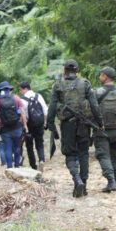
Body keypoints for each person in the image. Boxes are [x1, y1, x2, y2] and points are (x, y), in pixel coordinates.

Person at [47, 59, 104, 198]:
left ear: (65, 71)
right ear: (77, 70)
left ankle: (77, 180)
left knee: (70, 154)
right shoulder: (85, 83)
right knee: (84, 153)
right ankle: (83, 185)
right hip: (84, 123)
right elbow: (94, 106)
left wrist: (51, 124)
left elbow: (52, 106)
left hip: (67, 125)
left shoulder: (58, 85)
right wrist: (100, 122)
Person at [0, 81, 28, 169]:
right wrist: (25, 125)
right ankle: (17, 166)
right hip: (17, 127)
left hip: (4, 129)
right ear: (9, 89)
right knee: (17, 147)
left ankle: (9, 167)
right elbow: (23, 112)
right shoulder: (16, 98)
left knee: (7, 148)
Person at [19, 81, 48, 172]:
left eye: (20, 90)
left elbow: (24, 115)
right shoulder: (38, 96)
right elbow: (45, 110)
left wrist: (24, 125)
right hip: (39, 123)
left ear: (25, 88)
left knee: (29, 146)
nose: (20, 92)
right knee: (40, 144)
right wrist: (45, 121)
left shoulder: (23, 100)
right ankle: (42, 160)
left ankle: (33, 166)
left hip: (29, 125)